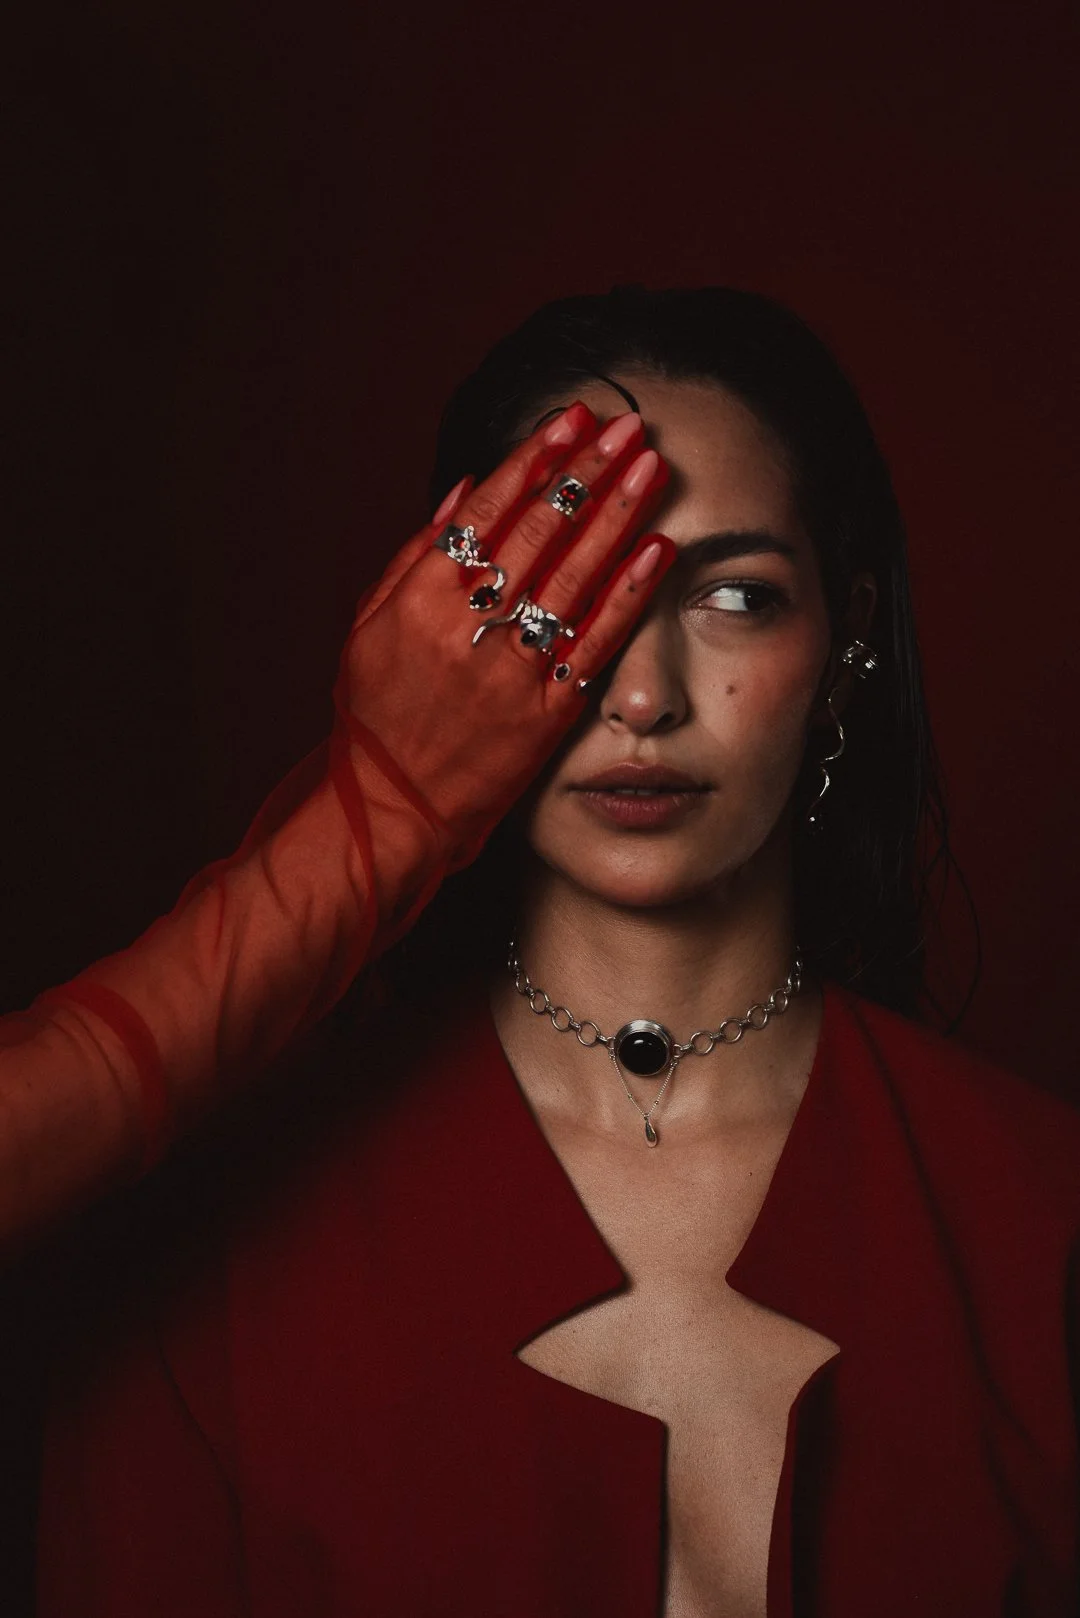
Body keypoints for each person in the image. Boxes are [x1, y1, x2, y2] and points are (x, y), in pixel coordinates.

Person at [16, 287, 1080, 1617]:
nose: (642, 698)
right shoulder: (207, 1269)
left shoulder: (1042, 1224)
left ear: (848, 642)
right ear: (436, 617)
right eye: (551, 598)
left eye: (736, 596)